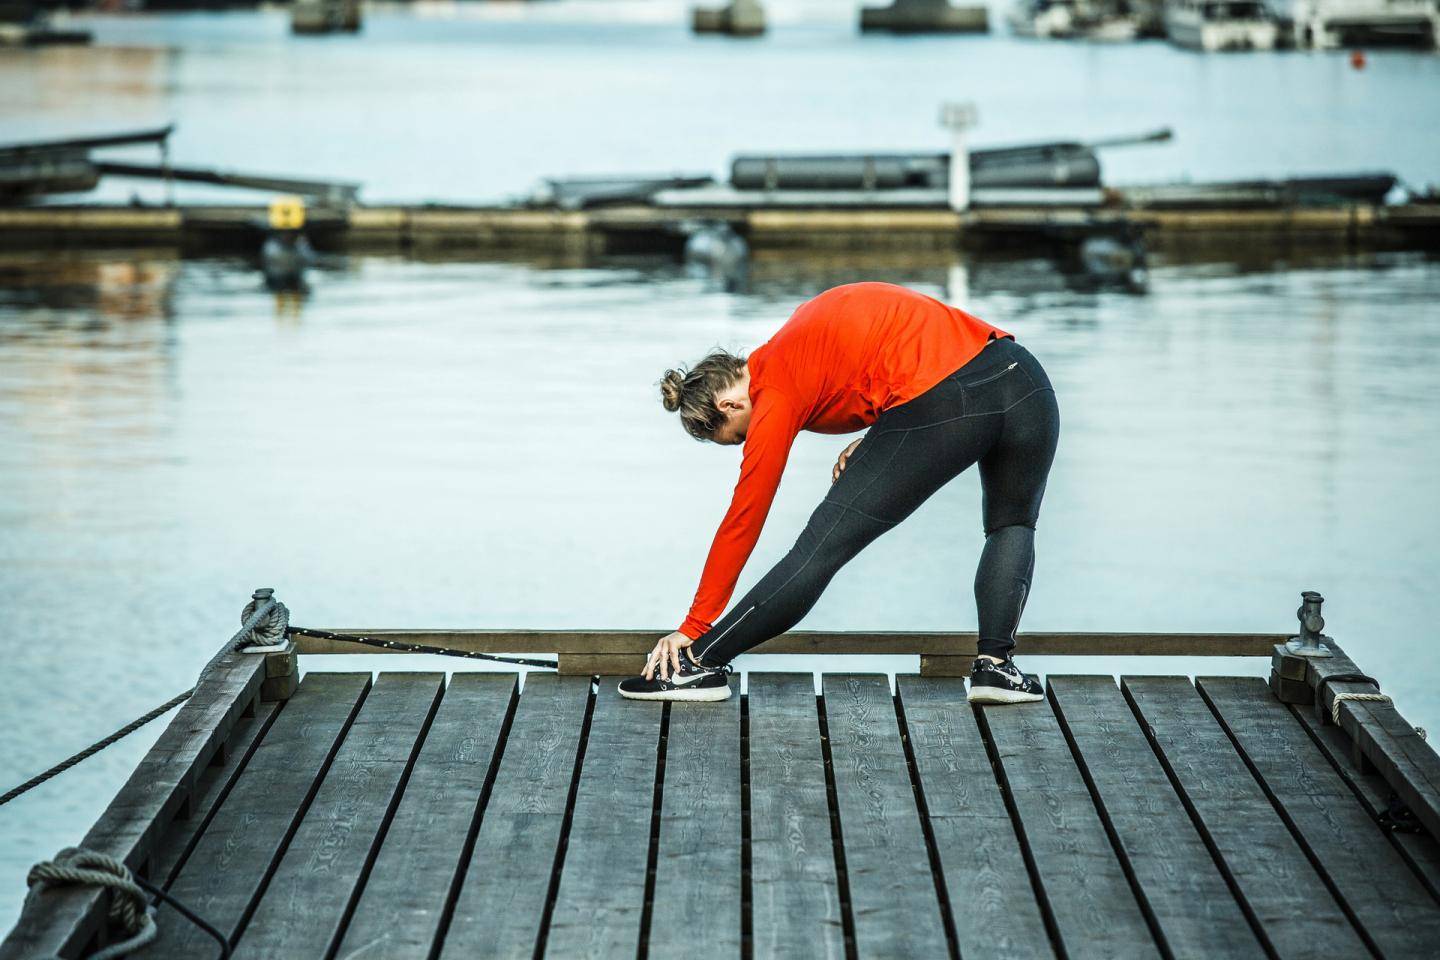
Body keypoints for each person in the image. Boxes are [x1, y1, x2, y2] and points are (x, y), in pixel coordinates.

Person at [618, 281, 1059, 704]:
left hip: (946, 397)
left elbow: (744, 518)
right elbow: (889, 344)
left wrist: (695, 623)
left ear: (728, 405)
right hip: (1022, 378)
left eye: (738, 438)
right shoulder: (800, 332)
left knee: (818, 552)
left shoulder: (773, 390)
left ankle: (700, 666)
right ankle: (996, 668)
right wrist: (876, 436)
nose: (748, 443)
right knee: (1012, 523)